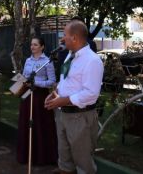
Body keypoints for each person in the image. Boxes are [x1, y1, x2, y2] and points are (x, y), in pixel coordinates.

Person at [45, 20, 104, 174]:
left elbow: (91, 94)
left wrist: (62, 100)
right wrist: (54, 93)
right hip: (63, 115)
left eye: (65, 35)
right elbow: (66, 81)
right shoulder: (70, 56)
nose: (62, 39)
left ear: (75, 38)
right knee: (65, 161)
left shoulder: (92, 60)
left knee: (83, 164)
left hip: (80, 118)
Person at [17, 36, 58, 165]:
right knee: (26, 123)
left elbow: (52, 82)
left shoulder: (48, 61)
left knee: (40, 125)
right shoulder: (28, 60)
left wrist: (36, 82)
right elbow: (23, 76)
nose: (32, 47)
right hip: (27, 95)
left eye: (35, 45)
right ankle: (26, 155)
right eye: (31, 44)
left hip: (40, 97)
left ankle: (42, 157)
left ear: (42, 47)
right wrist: (19, 84)